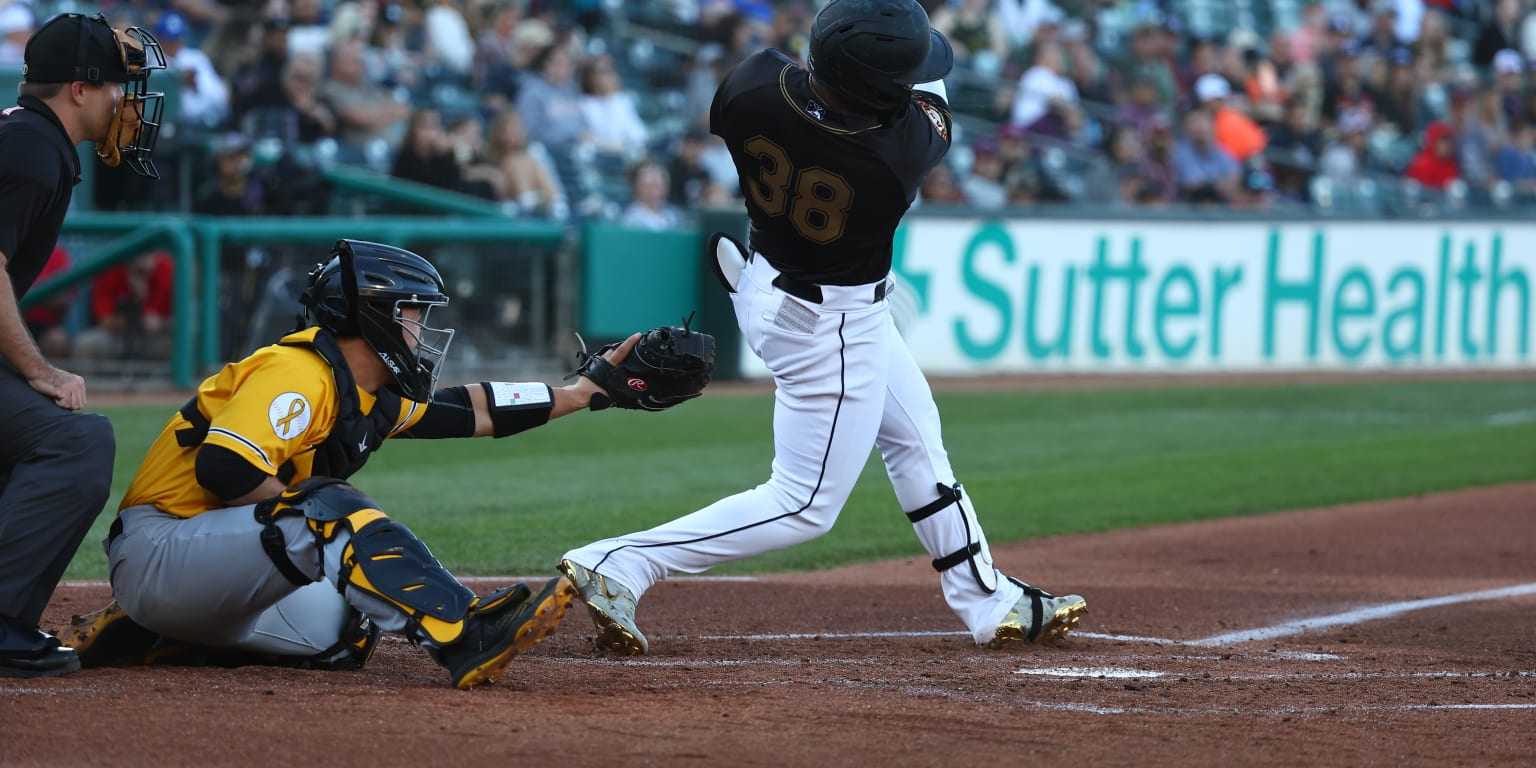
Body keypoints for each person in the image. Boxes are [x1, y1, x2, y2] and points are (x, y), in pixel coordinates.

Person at [557, 0, 1086, 656]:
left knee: (917, 439)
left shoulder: (751, 83)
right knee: (805, 504)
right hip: (831, 326)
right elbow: (926, 95)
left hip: (767, 284)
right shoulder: (898, 157)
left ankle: (988, 601)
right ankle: (623, 561)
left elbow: (830, 82)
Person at [57, 239, 646, 689]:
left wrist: (584, 392)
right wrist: (316, 519)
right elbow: (224, 469)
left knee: (348, 628)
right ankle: (466, 636)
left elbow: (469, 409)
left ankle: (153, 634)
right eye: (414, 313)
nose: (423, 329)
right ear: (374, 316)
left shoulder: (364, 389)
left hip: (205, 566)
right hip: (161, 547)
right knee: (327, 509)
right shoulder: (298, 372)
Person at [0, 12, 165, 678]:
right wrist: (35, 367)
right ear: (78, 89)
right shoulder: (34, 151)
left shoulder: (27, 138)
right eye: (116, 87)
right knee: (76, 442)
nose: (126, 101)